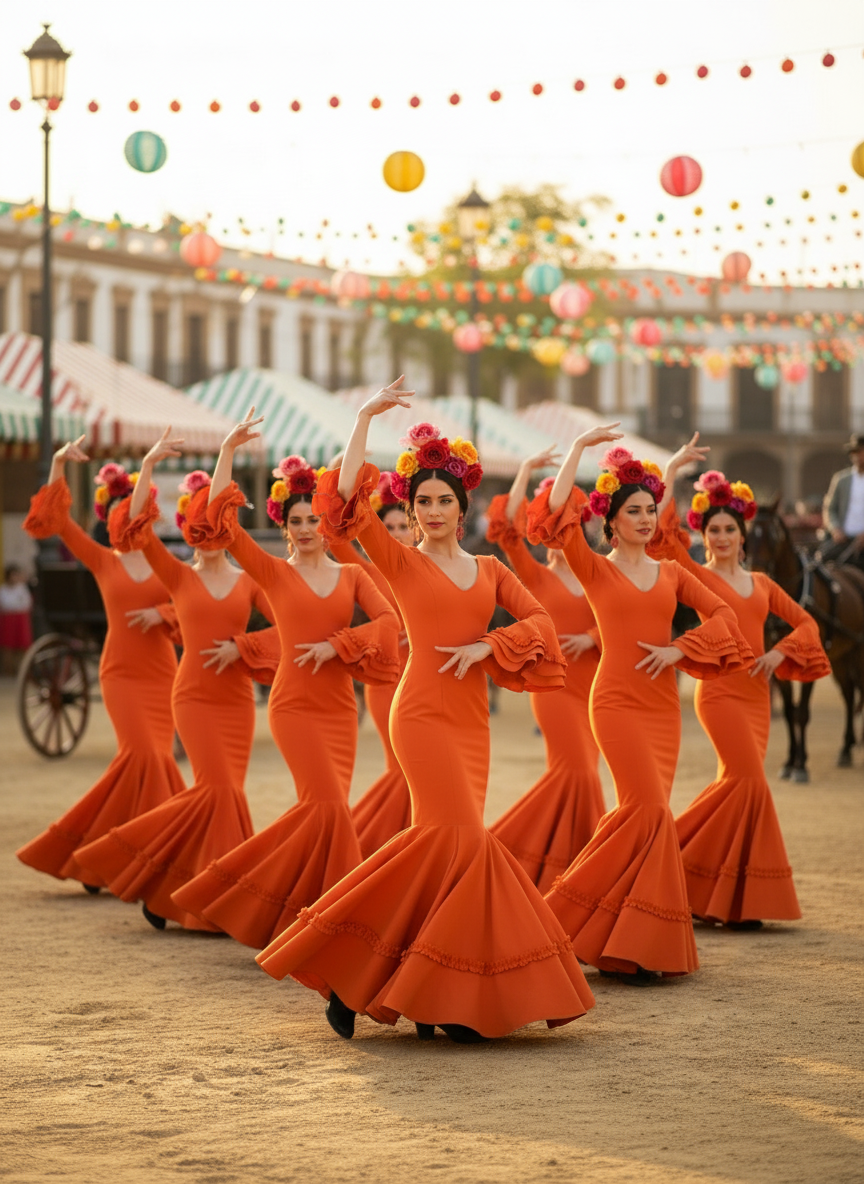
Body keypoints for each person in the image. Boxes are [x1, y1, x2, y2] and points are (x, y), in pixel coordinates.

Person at [251, 379, 595, 1043]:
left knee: (447, 851)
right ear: (410, 507)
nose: (432, 510)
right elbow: (346, 502)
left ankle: (398, 986)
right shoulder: (399, 563)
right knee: (460, 839)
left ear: (461, 507)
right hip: (421, 717)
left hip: (472, 723)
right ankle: (378, 978)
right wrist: (361, 420)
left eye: (443, 501)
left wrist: (488, 644)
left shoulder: (493, 571)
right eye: (422, 501)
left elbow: (546, 625)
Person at [528, 424, 753, 985]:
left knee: (642, 818)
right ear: (612, 519)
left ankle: (626, 943)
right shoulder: (593, 567)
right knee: (649, 810)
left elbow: (725, 617)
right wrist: (578, 449)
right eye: (635, 511)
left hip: (663, 710)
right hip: (616, 704)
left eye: (651, 509)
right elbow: (556, 516)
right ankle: (552, 921)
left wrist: (681, 648)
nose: (647, 519)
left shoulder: (673, 572)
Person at [170, 444, 400, 950]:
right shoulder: (272, 572)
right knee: (329, 810)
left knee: (325, 811)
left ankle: (291, 913)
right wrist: (228, 450)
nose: (305, 529)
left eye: (313, 519)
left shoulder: (353, 574)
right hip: (292, 707)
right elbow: (220, 520)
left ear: (325, 523)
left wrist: (339, 643)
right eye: (295, 520)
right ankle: (336, 927)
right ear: (283, 524)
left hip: (340, 710)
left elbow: (388, 622)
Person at [77, 438, 276, 930]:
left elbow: (286, 626)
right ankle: (206, 898)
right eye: (197, 525)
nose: (206, 533)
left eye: (215, 523)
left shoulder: (249, 580)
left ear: (225, 527)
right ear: (187, 528)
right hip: (192, 696)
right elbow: (135, 528)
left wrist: (244, 648)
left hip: (236, 700)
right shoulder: (178, 576)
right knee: (218, 791)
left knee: (226, 794)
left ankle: (162, 883)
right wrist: (146, 465)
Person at [653, 436, 830, 927]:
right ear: (704, 535)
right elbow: (660, 534)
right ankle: (675, 862)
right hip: (719, 693)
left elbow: (809, 627)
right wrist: (670, 468)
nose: (723, 537)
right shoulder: (695, 575)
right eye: (714, 529)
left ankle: (708, 888)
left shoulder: (764, 585)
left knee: (737, 784)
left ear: (743, 534)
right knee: (749, 781)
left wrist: (779, 651)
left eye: (730, 529)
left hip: (756, 694)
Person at [17, 440, 186, 888]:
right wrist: (54, 462)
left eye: (139, 507)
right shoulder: (102, 561)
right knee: (143, 754)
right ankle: (130, 855)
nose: (130, 516)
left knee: (154, 760)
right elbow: (58, 522)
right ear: (112, 516)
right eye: (123, 509)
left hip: (161, 674)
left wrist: (163, 614)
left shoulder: (164, 563)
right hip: (121, 675)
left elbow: (191, 607)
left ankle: (115, 853)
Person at [485, 449, 605, 892]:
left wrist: (593, 636)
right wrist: (524, 471)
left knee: (577, 775)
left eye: (569, 516)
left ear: (578, 522)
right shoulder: (532, 576)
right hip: (552, 689)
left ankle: (557, 871)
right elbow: (505, 531)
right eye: (551, 516)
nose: (560, 523)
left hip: (595, 687)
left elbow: (627, 619)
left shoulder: (596, 573)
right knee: (579, 773)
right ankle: (569, 869)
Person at [328, 469, 414, 858]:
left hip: (431, 682)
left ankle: (401, 856)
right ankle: (370, 853)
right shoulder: (369, 571)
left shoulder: (435, 570)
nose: (396, 532)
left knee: (422, 776)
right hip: (388, 681)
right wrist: (338, 468)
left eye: (402, 525)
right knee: (402, 772)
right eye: (389, 525)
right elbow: (333, 535)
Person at [821, 434, 864, 566]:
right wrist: (835, 529)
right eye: (854, 452)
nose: (857, 456)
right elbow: (830, 508)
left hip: (862, 543)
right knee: (821, 561)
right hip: (842, 540)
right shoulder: (841, 479)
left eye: (860, 452)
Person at [0, 563, 33, 674]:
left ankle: (22, 670)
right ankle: (8, 670)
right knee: (8, 646)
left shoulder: (22, 588)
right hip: (8, 619)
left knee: (22, 645)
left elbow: (27, 603)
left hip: (21, 618)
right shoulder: (3, 590)